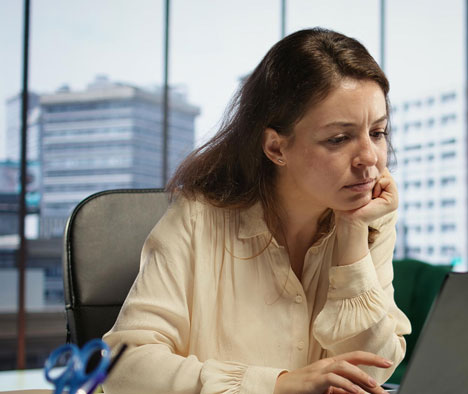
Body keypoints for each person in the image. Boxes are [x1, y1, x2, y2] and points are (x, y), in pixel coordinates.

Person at [102, 27, 411, 394]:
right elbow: (123, 365)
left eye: (378, 132)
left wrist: (352, 238)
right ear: (276, 148)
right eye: (339, 138)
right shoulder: (198, 218)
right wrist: (277, 385)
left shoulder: (368, 219)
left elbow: (372, 371)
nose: (369, 158)